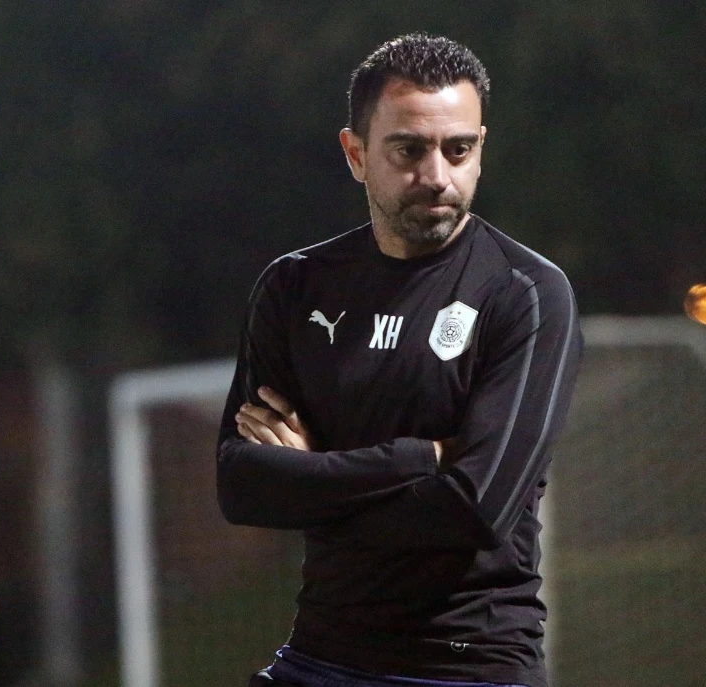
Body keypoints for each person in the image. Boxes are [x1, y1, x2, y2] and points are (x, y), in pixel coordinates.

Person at [216, 33, 583, 687]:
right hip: (319, 655)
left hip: (468, 665)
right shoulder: (295, 287)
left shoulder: (526, 292)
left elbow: (474, 508)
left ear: (480, 151)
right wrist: (420, 459)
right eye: (410, 150)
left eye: (458, 149)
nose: (437, 175)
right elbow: (241, 483)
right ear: (356, 154)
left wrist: (310, 477)